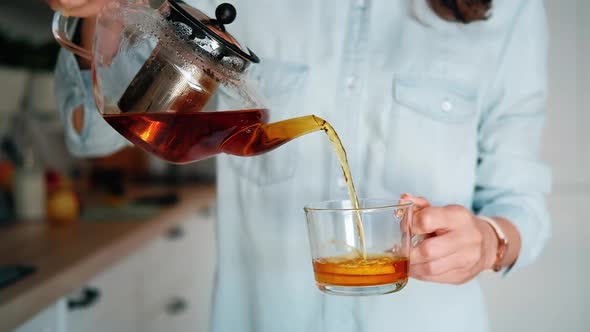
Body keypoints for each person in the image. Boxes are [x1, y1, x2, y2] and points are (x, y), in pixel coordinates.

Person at [49, 0, 551, 331]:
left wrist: (490, 241)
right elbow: (90, 132)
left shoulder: (511, 12)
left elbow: (521, 200)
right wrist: (104, 11)